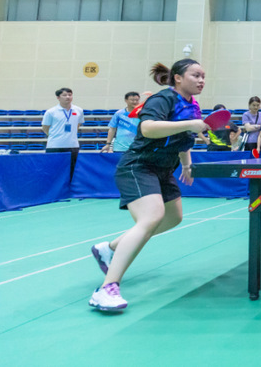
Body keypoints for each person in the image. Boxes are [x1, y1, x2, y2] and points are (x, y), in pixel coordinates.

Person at [88, 59, 210, 312]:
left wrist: (187, 165)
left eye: (203, 76)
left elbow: (182, 140)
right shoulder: (162, 99)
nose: (201, 80)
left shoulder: (192, 105)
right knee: (151, 217)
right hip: (138, 166)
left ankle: (109, 249)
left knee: (173, 217)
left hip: (164, 169)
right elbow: (148, 128)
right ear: (178, 78)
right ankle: (106, 289)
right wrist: (190, 124)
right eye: (196, 75)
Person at [42, 87, 84, 179]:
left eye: (70, 95)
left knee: (72, 171)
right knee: (54, 171)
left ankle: (69, 187)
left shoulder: (79, 110)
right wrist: (56, 136)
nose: (68, 97)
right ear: (58, 97)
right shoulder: (51, 112)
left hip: (73, 145)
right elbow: (45, 128)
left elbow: (78, 125)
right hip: (55, 146)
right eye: (64, 95)